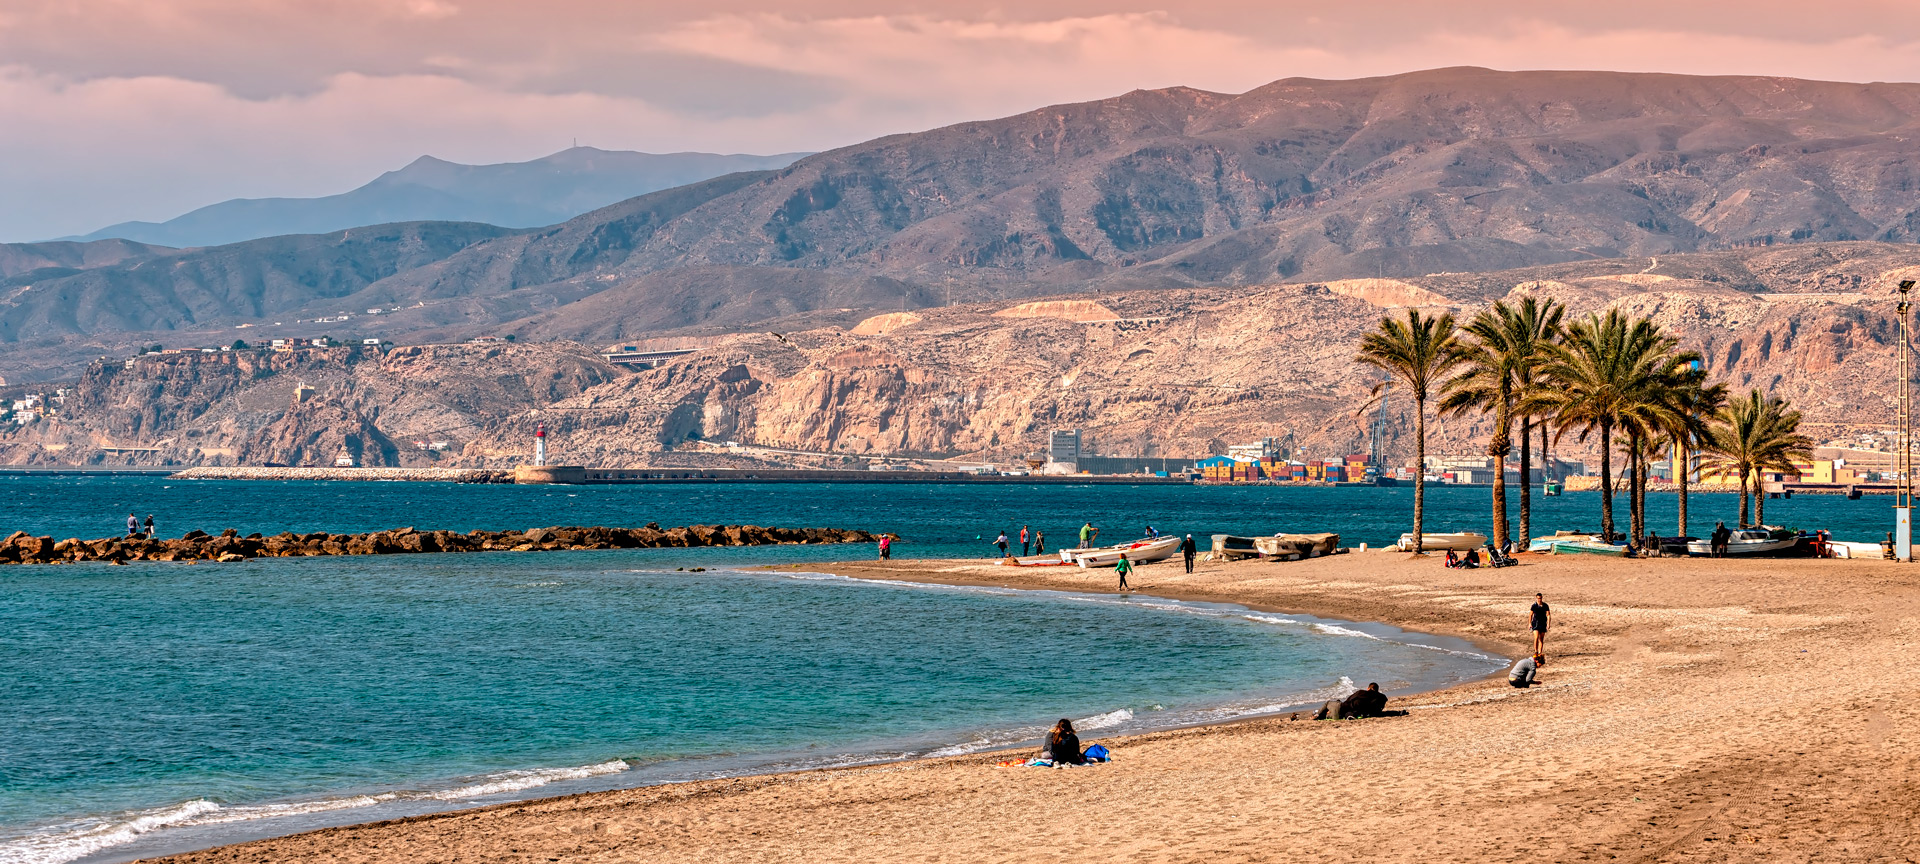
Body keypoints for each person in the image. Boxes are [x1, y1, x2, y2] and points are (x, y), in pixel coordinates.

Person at [1530, 592, 1551, 657]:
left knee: (1541, 639)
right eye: (1538, 598)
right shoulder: (1534, 606)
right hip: (1535, 623)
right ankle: (1536, 651)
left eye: (1540, 598)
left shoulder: (1545, 605)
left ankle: (1540, 652)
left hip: (1543, 623)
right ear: (1536, 598)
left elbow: (1548, 615)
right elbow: (1530, 615)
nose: (1539, 599)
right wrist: (1529, 623)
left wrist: (1548, 624)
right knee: (1536, 637)